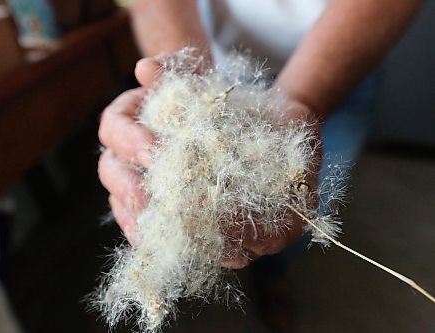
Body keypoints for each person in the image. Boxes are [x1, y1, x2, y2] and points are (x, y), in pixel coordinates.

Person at [98, 0, 422, 266]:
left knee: (303, 206)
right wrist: (184, 87)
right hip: (215, 59)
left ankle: (275, 276)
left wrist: (301, 100)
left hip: (348, 55)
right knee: (252, 215)